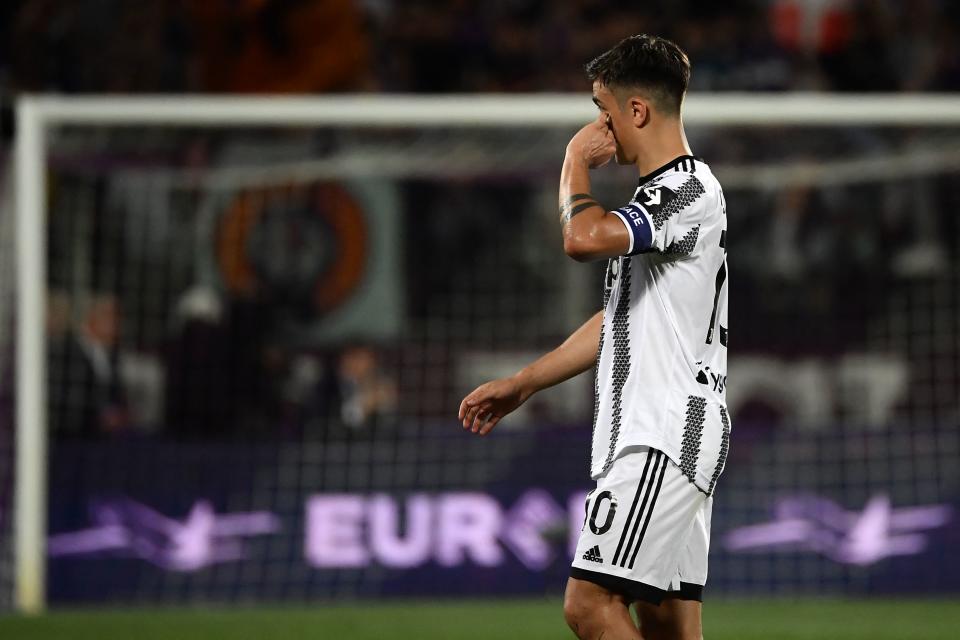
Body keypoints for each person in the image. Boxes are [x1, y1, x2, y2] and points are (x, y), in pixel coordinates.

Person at [459, 35, 729, 639]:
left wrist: (573, 160)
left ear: (636, 112)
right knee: (668, 628)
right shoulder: (662, 203)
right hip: (667, 432)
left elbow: (581, 238)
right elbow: (620, 319)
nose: (596, 126)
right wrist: (525, 382)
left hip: (663, 430)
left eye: (601, 110)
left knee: (588, 605)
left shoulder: (686, 189)